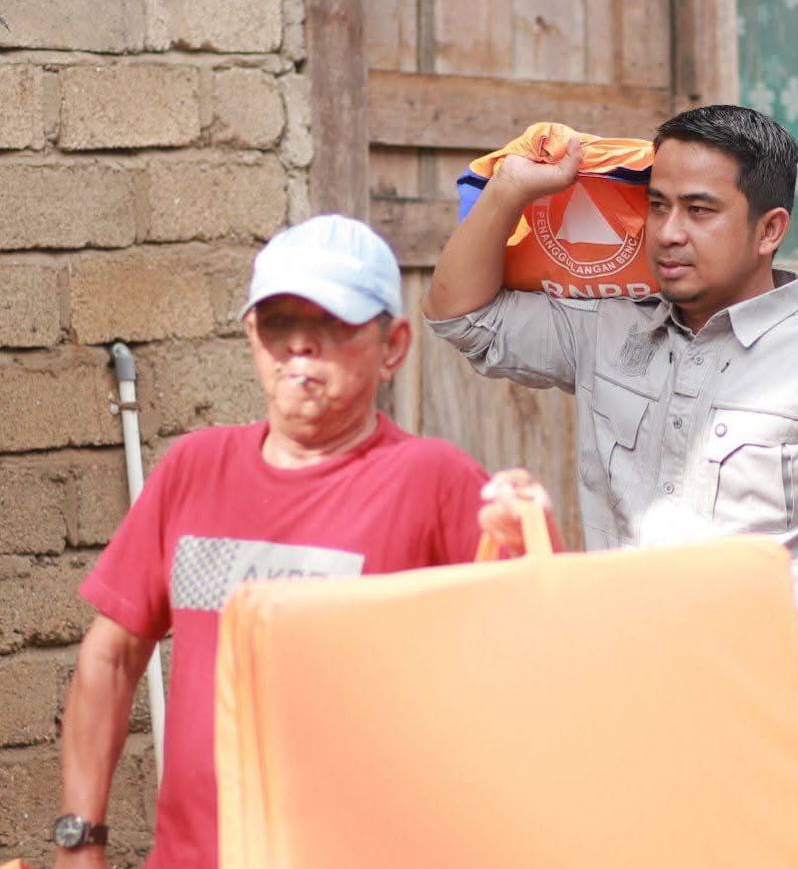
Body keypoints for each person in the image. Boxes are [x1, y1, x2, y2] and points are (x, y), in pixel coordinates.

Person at [425, 104, 798, 863]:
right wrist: (513, 189)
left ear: (769, 229)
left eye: (700, 211)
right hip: (619, 721)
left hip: (767, 744)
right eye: (657, 206)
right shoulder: (607, 331)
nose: (668, 232)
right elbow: (461, 317)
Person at [54, 215, 546, 869]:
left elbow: (536, 659)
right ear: (251, 336)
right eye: (277, 323)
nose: (299, 347)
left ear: (393, 346)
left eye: (332, 324)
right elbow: (111, 658)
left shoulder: (432, 481)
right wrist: (79, 839)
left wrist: (532, 536)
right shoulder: (194, 470)